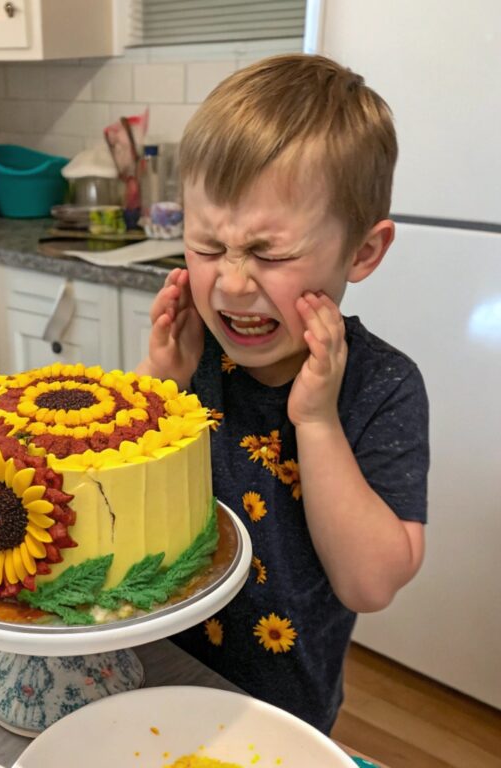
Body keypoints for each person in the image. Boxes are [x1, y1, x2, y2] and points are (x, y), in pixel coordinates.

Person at [136, 53, 429, 735]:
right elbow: (123, 508)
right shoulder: (195, 353)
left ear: (362, 252)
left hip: (281, 714)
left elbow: (370, 584)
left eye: (269, 254)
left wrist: (317, 422)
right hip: (153, 673)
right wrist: (163, 391)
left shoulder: (383, 388)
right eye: (208, 246)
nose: (233, 284)